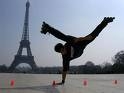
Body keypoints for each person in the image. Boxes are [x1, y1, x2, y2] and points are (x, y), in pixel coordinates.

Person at [40, 17, 115, 85]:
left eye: (63, 49)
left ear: (63, 46)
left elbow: (77, 39)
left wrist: (87, 38)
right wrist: (62, 81)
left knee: (93, 35)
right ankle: (48, 29)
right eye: (61, 52)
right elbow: (64, 70)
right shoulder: (65, 58)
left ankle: (105, 22)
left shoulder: (68, 43)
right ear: (60, 53)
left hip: (80, 44)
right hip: (79, 52)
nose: (63, 52)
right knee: (65, 64)